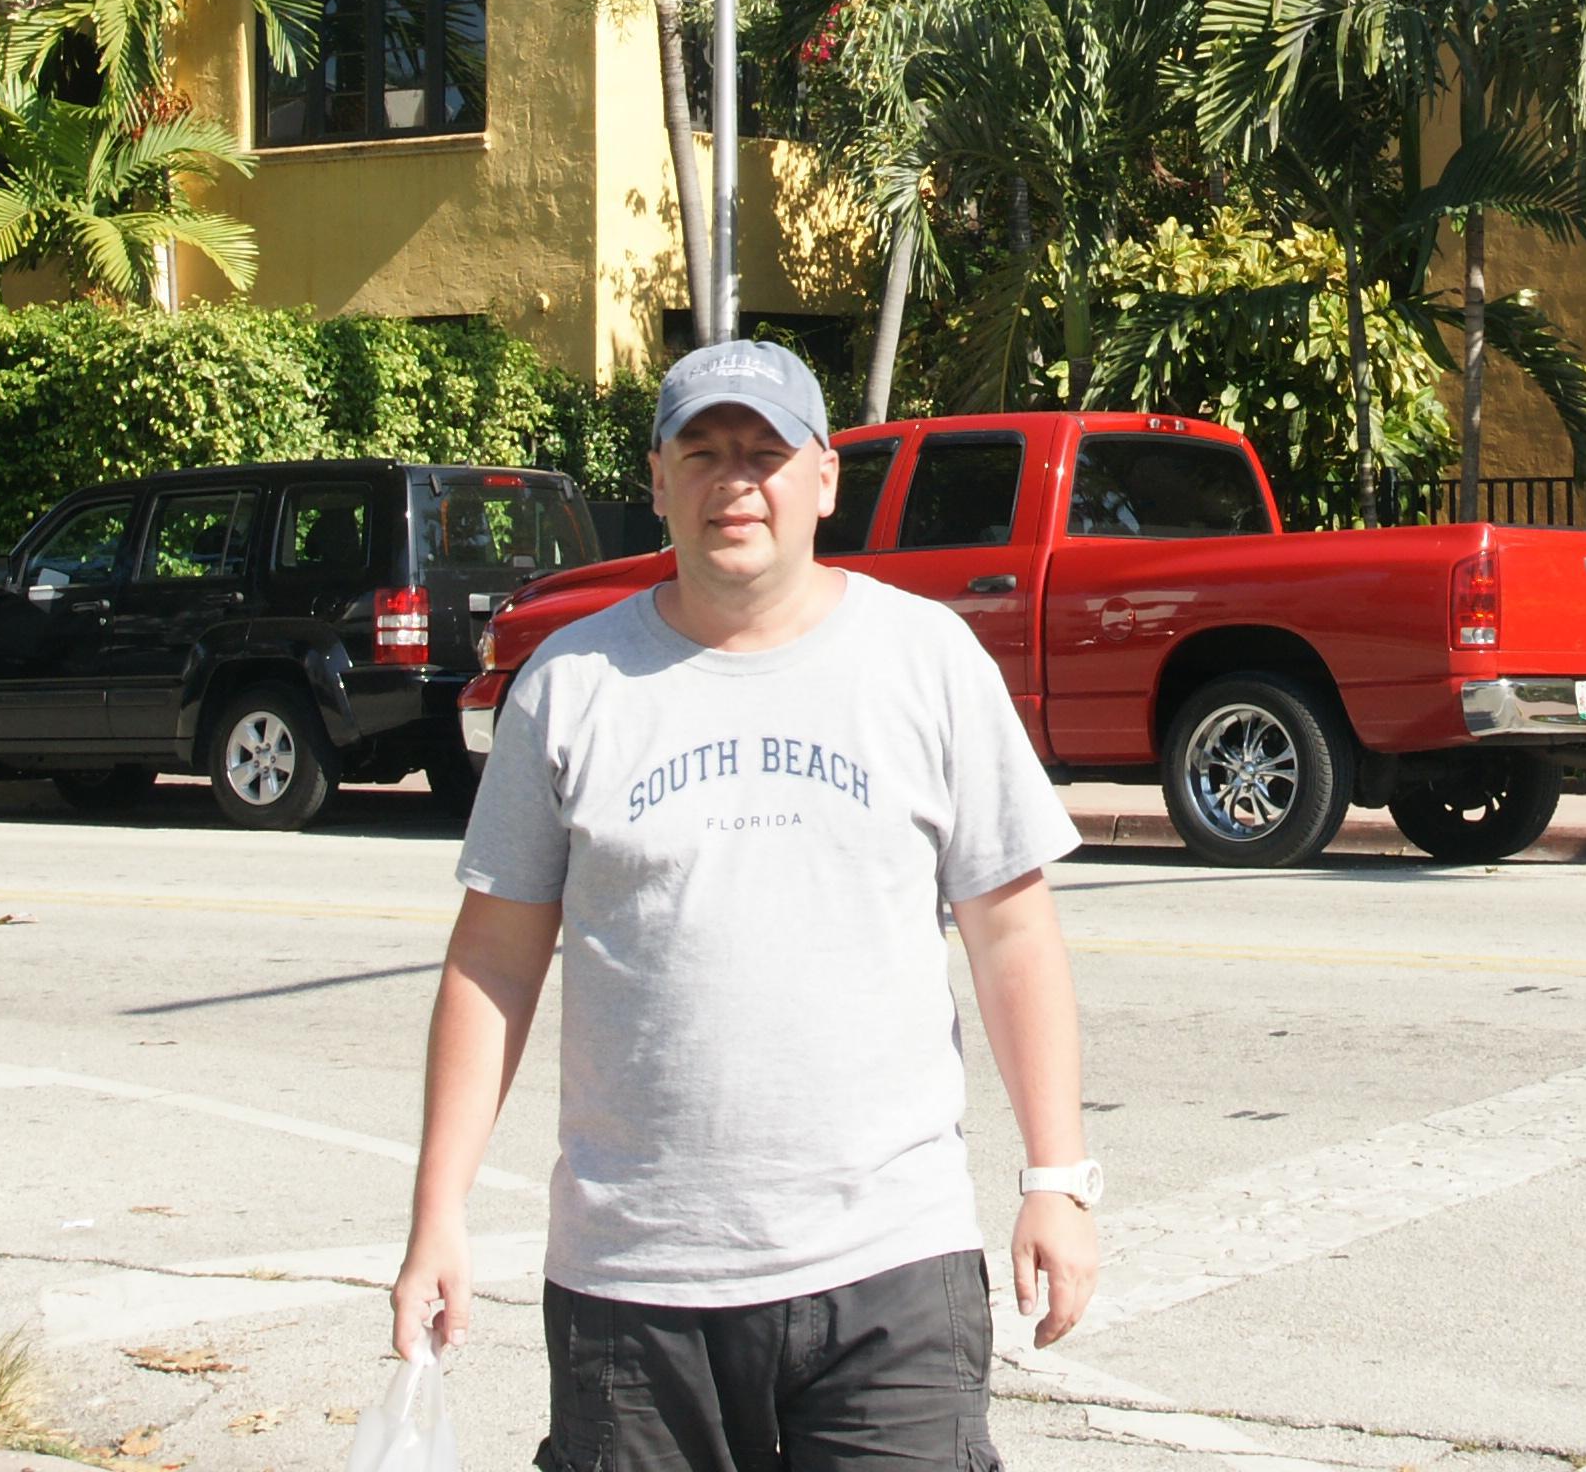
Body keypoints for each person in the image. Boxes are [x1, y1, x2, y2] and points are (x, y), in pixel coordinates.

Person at [392, 338, 1101, 1472]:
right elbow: (495, 963)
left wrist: (1056, 1180)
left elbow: (1014, 934)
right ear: (658, 480)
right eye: (704, 453)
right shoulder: (570, 686)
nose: (736, 482)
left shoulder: (927, 661)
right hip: (635, 1287)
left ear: (823, 478)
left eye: (765, 454)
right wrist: (439, 1211)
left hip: (891, 1272)